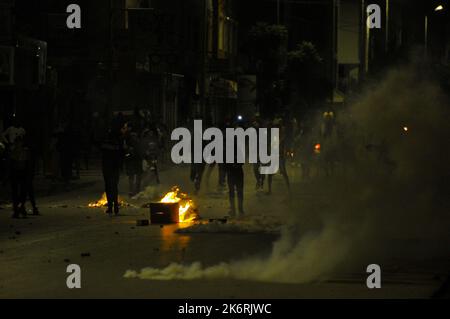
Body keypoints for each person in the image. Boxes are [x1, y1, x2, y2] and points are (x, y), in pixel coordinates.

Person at [9, 134, 39, 218]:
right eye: (17, 142)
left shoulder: (25, 152)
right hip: (16, 173)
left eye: (19, 142)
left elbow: (28, 164)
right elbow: (11, 164)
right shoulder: (13, 151)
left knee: (23, 192)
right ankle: (17, 209)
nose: (18, 144)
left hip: (23, 173)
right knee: (16, 192)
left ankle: (21, 208)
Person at [101, 121, 124, 216]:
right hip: (115, 167)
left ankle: (111, 207)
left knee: (108, 187)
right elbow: (121, 155)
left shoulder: (105, 143)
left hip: (107, 167)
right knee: (114, 187)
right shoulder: (118, 143)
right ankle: (115, 207)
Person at [124, 124, 143, 197]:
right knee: (133, 176)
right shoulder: (129, 141)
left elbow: (141, 150)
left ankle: (135, 190)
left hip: (136, 160)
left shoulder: (137, 141)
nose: (134, 137)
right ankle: (132, 191)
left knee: (136, 176)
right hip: (132, 160)